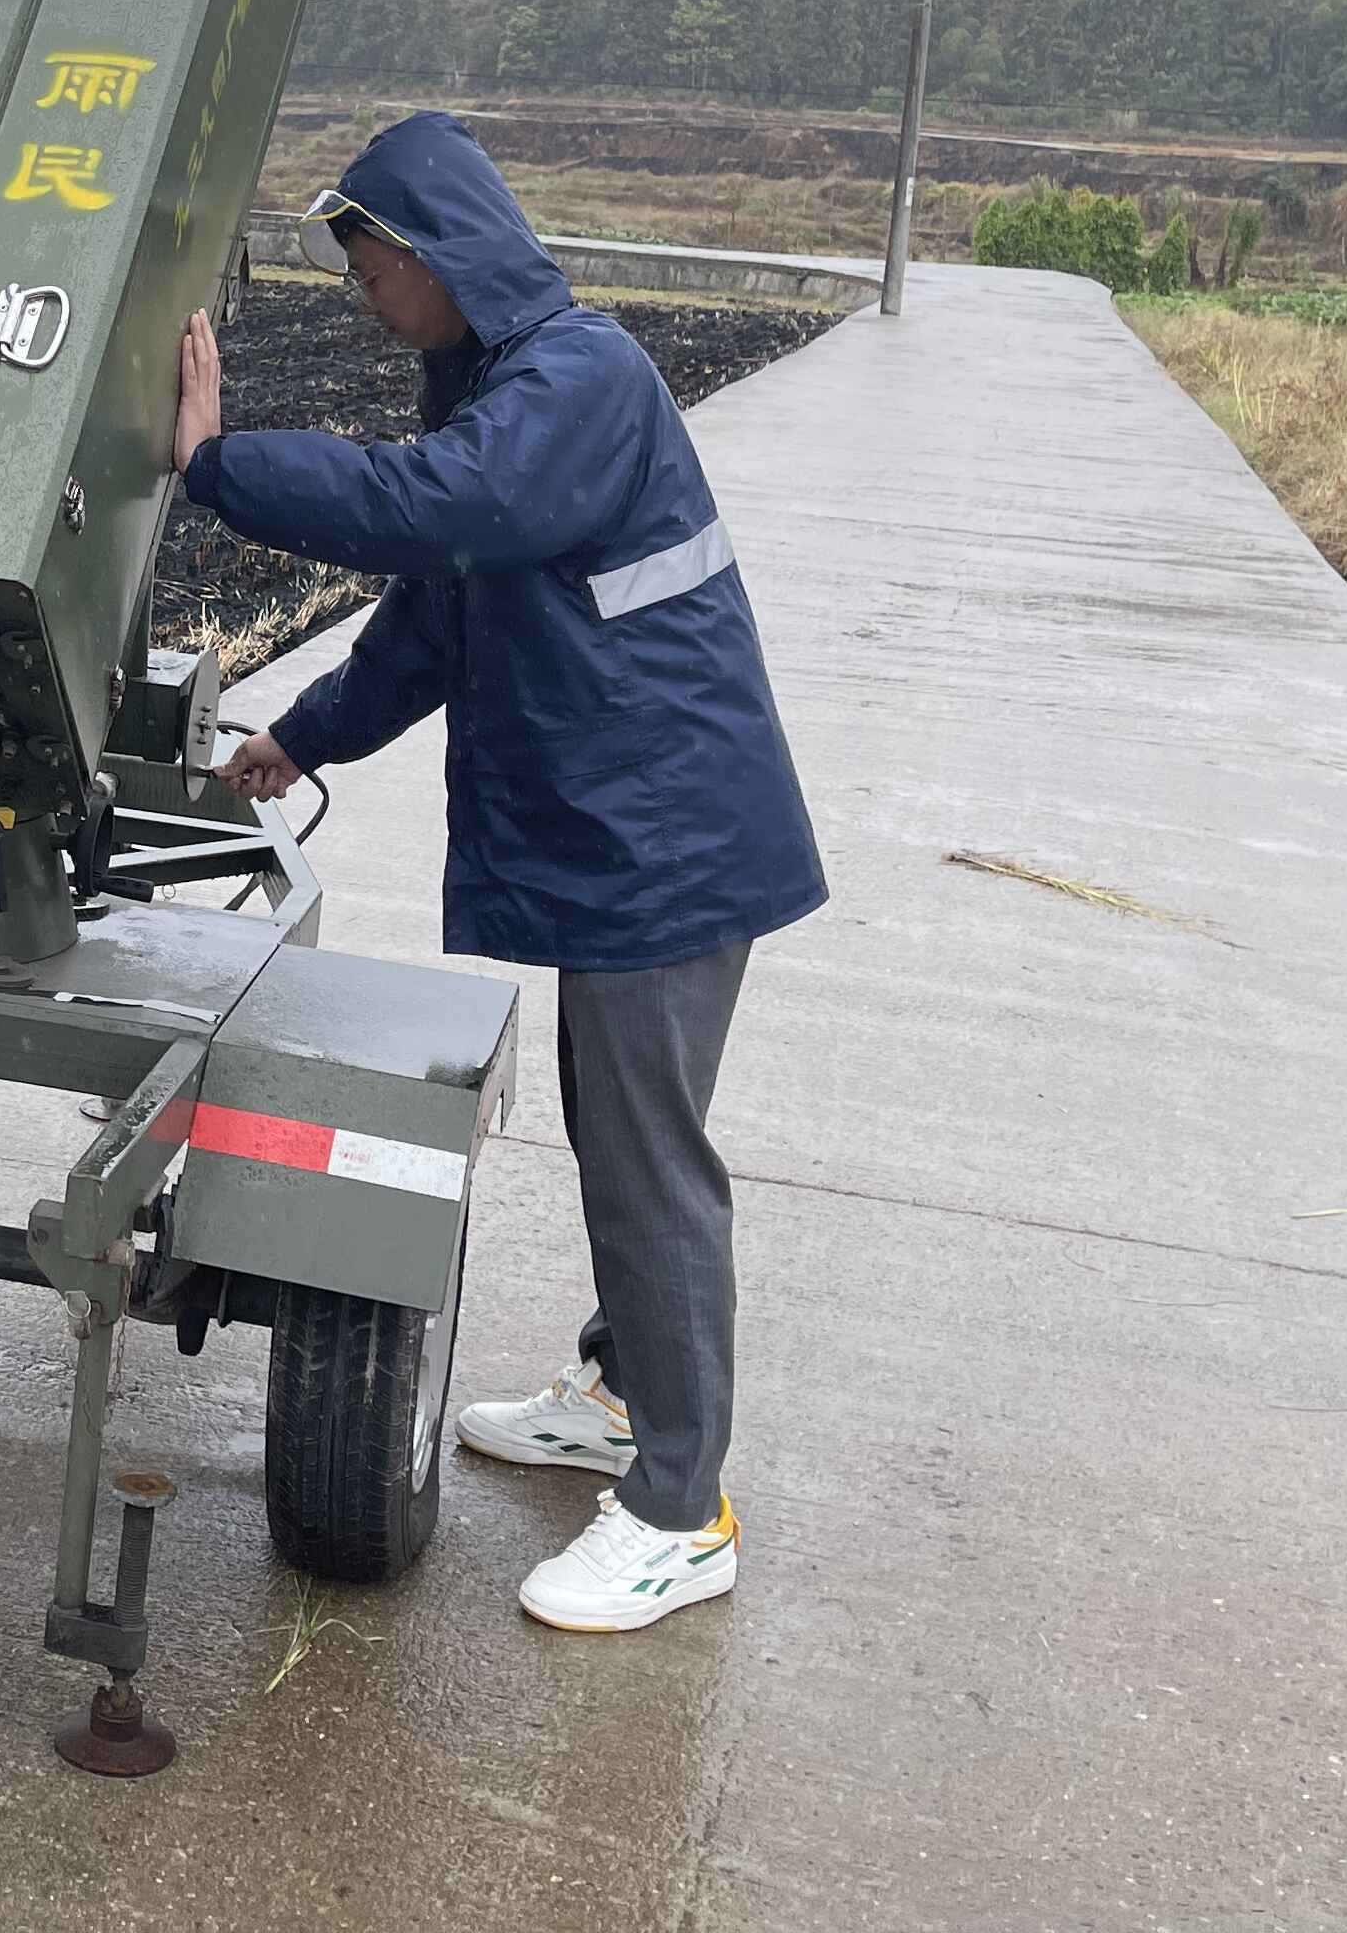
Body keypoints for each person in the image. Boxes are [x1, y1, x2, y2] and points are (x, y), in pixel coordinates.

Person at [171, 110, 825, 1633]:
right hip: (635, 830)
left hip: (670, 840)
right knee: (620, 1133)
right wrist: (309, 734)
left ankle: (682, 1507)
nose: (364, 302)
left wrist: (217, 469)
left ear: (436, 252)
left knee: (654, 1163)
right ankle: (620, 1391)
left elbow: (430, 511)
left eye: (370, 274)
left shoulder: (579, 383)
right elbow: (437, 613)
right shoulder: (509, 390)